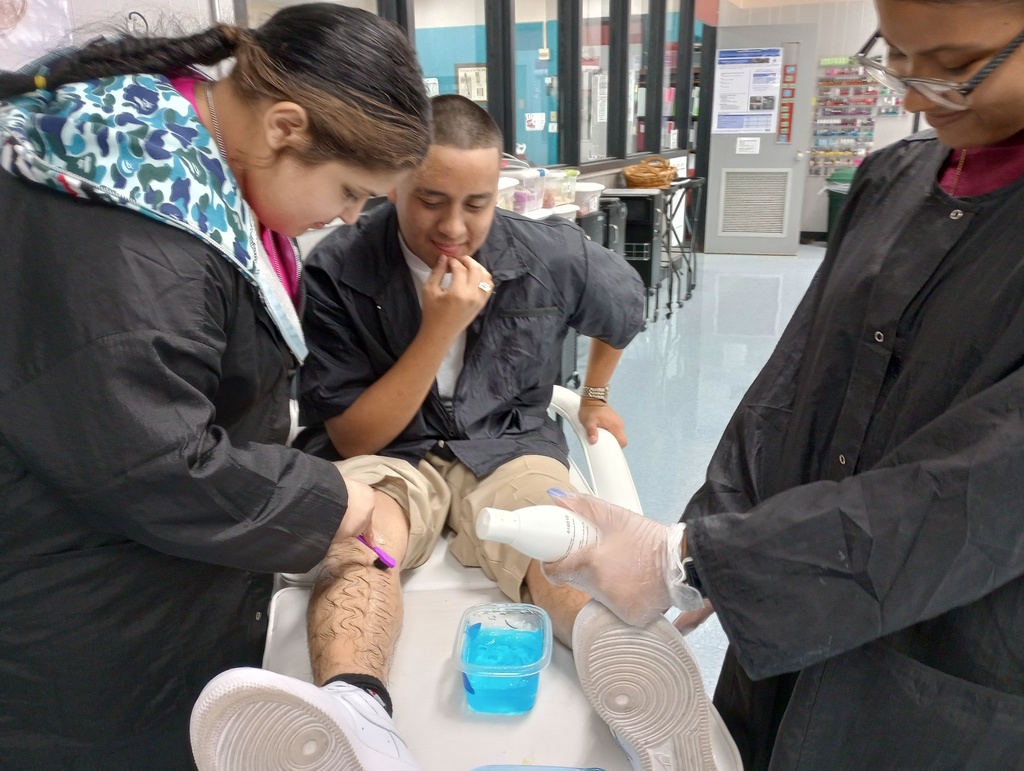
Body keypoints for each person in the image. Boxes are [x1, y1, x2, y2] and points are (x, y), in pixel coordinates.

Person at [543, 0, 1024, 767]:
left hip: (940, 662)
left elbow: (976, 491)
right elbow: (795, 379)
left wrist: (698, 558)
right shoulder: (893, 179)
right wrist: (714, 527)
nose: (909, 100)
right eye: (896, 59)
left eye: (957, 70)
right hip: (788, 631)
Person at [0, 6, 430, 767]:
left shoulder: (186, 175)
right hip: (83, 642)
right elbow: (152, 457)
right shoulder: (132, 226)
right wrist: (337, 500)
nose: (348, 215)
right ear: (286, 128)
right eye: (350, 189)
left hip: (141, 591)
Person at [188, 94, 647, 770]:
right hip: (387, 453)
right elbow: (350, 437)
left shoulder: (551, 252)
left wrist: (596, 399)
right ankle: (357, 712)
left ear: (499, 193)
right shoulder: (338, 268)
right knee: (360, 543)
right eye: (432, 199)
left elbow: (623, 309)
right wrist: (439, 329)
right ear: (395, 178)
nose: (454, 227)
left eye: (477, 203)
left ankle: (636, 677)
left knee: (563, 538)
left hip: (510, 444)